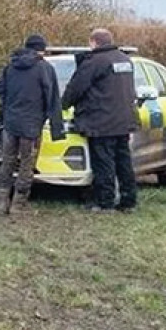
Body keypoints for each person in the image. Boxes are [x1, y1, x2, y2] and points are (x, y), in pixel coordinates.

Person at [62, 28, 138, 212]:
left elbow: (76, 88)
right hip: (123, 121)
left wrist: (62, 104)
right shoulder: (125, 60)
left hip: (101, 121)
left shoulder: (95, 62)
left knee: (104, 163)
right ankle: (128, 201)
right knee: (123, 162)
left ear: (94, 42)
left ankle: (105, 202)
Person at [0, 34, 65, 215]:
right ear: (42, 49)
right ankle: (19, 204)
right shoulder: (45, 69)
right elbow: (53, 99)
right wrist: (56, 127)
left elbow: (0, 94)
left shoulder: (10, 67)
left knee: (7, 161)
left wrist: (5, 117)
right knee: (27, 164)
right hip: (32, 126)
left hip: (10, 124)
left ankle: (2, 202)